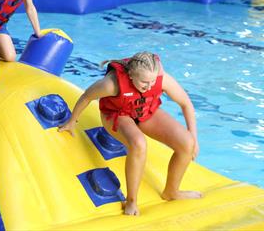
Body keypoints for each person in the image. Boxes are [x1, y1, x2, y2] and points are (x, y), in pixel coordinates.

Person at [58, 52, 201, 216]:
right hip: (117, 114)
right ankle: (132, 200)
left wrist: (194, 138)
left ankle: (171, 191)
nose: (149, 86)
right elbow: (86, 97)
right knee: (139, 143)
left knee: (187, 143)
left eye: (153, 81)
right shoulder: (111, 84)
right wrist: (71, 121)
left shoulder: (161, 78)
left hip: (145, 111)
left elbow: (186, 104)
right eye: (144, 82)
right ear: (131, 75)